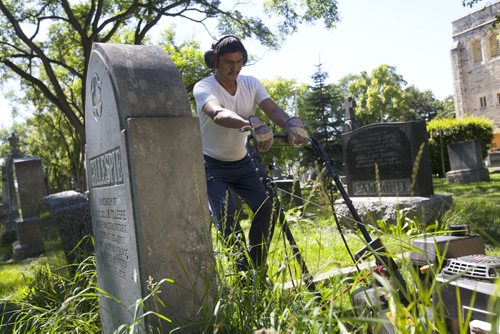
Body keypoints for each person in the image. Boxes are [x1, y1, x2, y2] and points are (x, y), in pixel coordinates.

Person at [193, 35, 308, 271]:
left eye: (239, 62)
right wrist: (249, 123)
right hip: (211, 163)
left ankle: (258, 267)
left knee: (265, 206)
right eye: (228, 62)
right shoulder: (204, 87)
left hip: (241, 162)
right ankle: (242, 271)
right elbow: (217, 113)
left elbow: (272, 109)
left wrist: (290, 124)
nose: (234, 68)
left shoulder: (251, 83)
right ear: (215, 61)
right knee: (228, 215)